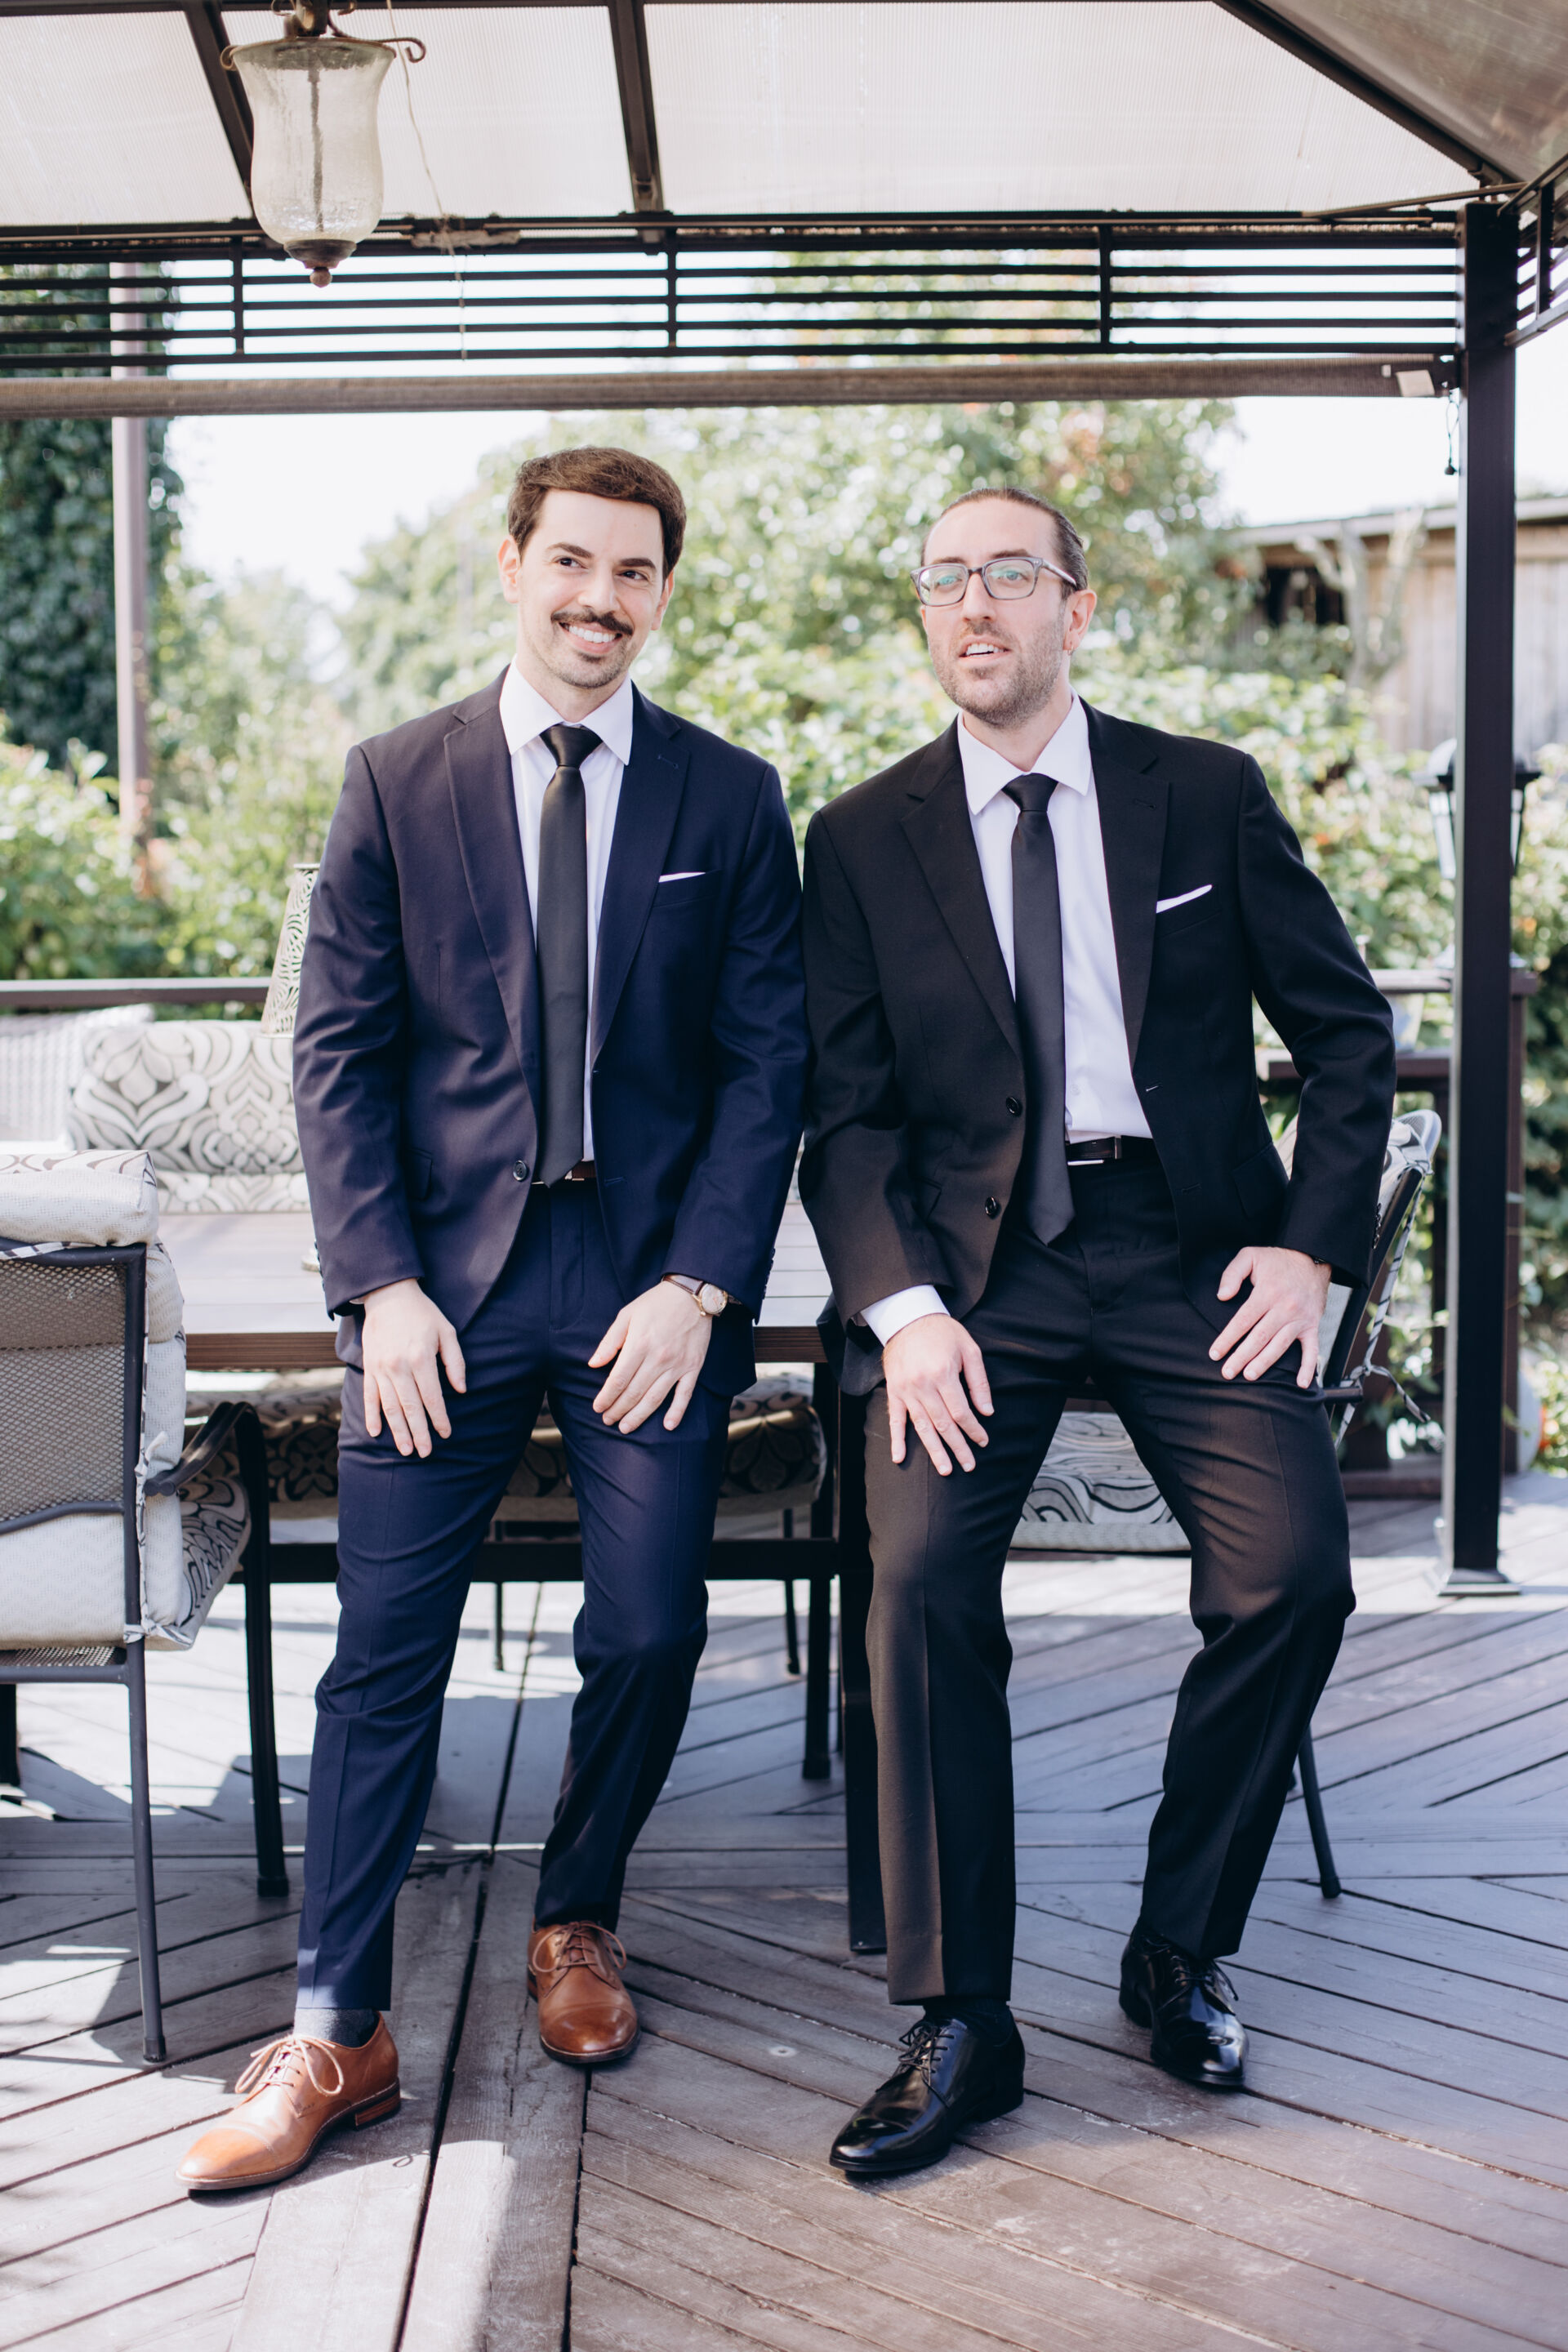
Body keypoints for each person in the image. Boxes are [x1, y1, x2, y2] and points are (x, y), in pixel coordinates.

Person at [178, 445, 807, 2194]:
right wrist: (376, 1284)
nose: (602, 600)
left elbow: (768, 1067)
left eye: (635, 573)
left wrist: (700, 1286)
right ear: (515, 565)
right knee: (384, 1653)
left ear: (662, 594)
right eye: (574, 563)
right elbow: (338, 1051)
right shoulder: (398, 779)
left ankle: (577, 1914)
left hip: (643, 1283)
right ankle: (337, 2027)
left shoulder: (730, 798)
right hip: (438, 1291)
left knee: (652, 1630)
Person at [800, 484, 1394, 2178]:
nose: (975, 605)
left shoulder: (1203, 793)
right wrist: (904, 1312)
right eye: (945, 580)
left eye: (1010, 574)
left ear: (1077, 606)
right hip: (969, 1280)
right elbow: (842, 1117)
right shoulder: (862, 835)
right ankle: (960, 2018)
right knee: (920, 1585)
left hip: (1189, 1253)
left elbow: (1347, 1039)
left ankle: (1178, 1945)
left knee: (1296, 1578)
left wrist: (1310, 1252)